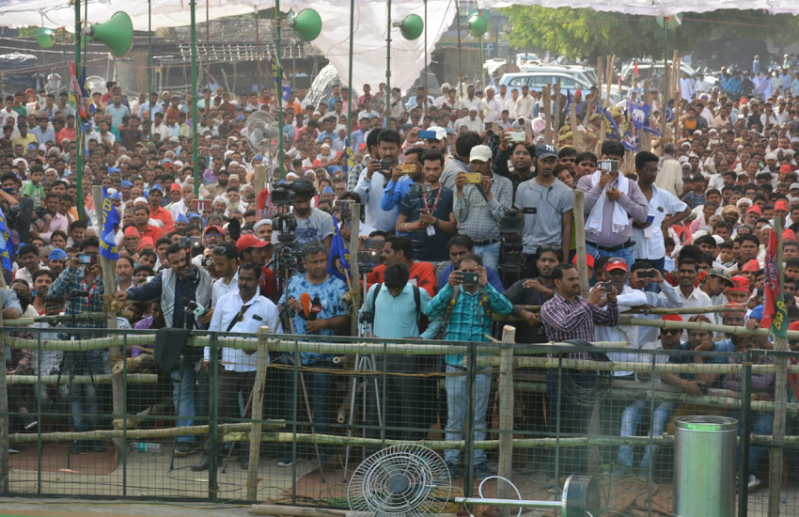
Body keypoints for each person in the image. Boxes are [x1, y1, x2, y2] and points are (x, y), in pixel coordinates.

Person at [114, 242, 214, 456]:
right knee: (182, 391)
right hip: (176, 342)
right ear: (169, 262)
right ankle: (186, 439)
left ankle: (207, 438)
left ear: (189, 257)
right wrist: (129, 294)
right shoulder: (166, 276)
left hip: (204, 342)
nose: (180, 265)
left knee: (205, 391)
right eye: (175, 262)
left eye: (182, 261)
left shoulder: (206, 276)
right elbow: (148, 289)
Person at [424, 253, 513, 479]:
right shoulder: (452, 292)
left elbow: (506, 308)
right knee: (454, 416)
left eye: (474, 271)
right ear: (457, 272)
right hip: (455, 363)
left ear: (481, 270)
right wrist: (447, 287)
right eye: (465, 272)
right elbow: (429, 311)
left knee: (478, 417)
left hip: (482, 364)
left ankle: (478, 460)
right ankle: (451, 461)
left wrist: (487, 285)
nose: (470, 276)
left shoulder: (486, 293)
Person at [192, 262, 281, 471]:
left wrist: (259, 345)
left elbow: (277, 339)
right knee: (219, 412)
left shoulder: (268, 306)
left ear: (258, 280)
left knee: (252, 414)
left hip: (255, 369)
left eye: (249, 279)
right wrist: (207, 356)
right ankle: (211, 455)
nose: (244, 283)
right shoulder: (224, 301)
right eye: (242, 278)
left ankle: (246, 455)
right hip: (227, 366)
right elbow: (212, 332)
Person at [540, 263, 618, 489]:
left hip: (586, 372)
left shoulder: (583, 303)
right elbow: (565, 326)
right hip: (561, 373)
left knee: (581, 425)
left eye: (577, 278)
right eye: (571, 279)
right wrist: (591, 304)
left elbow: (610, 321)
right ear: (558, 283)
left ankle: (578, 478)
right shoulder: (550, 306)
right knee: (558, 426)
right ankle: (554, 477)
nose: (577, 282)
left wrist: (612, 302)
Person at [276, 242, 349, 466]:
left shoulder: (338, 285)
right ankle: (291, 451)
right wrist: (287, 305)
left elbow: (345, 316)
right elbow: (279, 307)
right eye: (314, 262)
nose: (319, 265)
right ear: (305, 263)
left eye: (322, 261)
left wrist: (323, 323)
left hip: (323, 356)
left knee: (321, 405)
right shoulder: (294, 282)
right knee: (292, 405)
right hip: (295, 355)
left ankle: (323, 453)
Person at [359, 262, 434, 440]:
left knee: (408, 405)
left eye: (397, 290)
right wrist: (368, 335)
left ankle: (408, 450)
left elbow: (436, 318)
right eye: (391, 289)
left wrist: (423, 339)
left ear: (405, 283)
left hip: (406, 357)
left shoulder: (418, 293)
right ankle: (374, 451)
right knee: (376, 406)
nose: (394, 292)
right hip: (378, 356)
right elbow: (363, 316)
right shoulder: (375, 291)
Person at [47, 236, 107, 454]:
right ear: (80, 255)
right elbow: (52, 293)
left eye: (95, 253)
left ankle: (94, 436)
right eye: (87, 253)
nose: (91, 258)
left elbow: (109, 304)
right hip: (72, 341)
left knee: (92, 391)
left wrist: (102, 276)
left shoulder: (106, 277)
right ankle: (80, 436)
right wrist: (69, 269)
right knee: (75, 392)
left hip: (95, 342)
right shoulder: (73, 274)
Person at [577, 141, 648, 268]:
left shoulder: (630, 185)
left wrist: (621, 198)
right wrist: (599, 186)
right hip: (593, 249)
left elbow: (642, 215)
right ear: (600, 158)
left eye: (614, 160)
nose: (610, 163)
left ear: (621, 162)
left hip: (622, 251)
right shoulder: (586, 181)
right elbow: (581, 209)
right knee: (592, 287)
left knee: (622, 287)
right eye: (607, 159)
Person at [515, 144, 574, 271]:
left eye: (552, 161)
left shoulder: (565, 191)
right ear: (536, 160)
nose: (548, 166)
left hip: (553, 250)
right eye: (544, 161)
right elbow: (520, 219)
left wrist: (564, 258)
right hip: (528, 250)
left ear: (557, 162)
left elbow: (567, 225)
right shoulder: (523, 188)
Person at [453, 144, 513, 270]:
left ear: (490, 162)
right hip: (466, 247)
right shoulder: (463, 183)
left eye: (482, 163)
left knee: (489, 280)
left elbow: (503, 219)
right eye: (474, 163)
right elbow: (460, 217)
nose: (477, 167)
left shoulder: (504, 183)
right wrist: (458, 191)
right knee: (465, 280)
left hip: (490, 245)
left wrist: (489, 195)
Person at [633, 151, 691, 273]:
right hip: (634, 250)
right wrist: (632, 222)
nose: (653, 174)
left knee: (654, 287)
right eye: (649, 170)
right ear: (638, 170)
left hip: (656, 250)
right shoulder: (628, 192)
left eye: (655, 171)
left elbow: (686, 210)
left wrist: (666, 224)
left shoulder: (662, 195)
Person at [396, 150, 457, 263]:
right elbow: (399, 226)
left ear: (442, 168)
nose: (431, 173)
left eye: (435, 169)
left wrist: (434, 221)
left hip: (443, 257)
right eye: (428, 169)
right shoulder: (411, 193)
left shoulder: (448, 194)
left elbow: (453, 227)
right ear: (422, 168)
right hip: (416, 256)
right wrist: (416, 225)